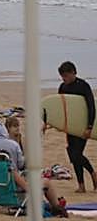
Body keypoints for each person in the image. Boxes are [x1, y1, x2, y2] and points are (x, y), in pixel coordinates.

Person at [59, 61, 97, 192]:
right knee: (72, 153)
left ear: (73, 73)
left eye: (66, 76)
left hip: (83, 125)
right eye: (62, 76)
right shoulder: (62, 87)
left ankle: (92, 174)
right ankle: (82, 184)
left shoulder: (83, 86)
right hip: (70, 126)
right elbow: (61, 108)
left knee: (75, 153)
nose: (64, 79)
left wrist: (89, 126)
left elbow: (91, 106)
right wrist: (54, 124)